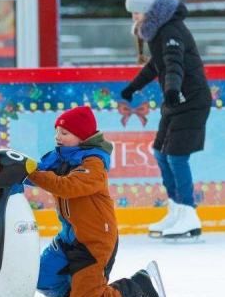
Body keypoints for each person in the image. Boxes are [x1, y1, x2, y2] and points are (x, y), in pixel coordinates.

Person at [27, 106, 161, 297]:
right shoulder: (60, 157)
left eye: (64, 132)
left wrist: (31, 174)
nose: (58, 136)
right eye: (57, 131)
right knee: (42, 278)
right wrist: (7, 168)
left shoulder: (94, 163)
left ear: (82, 137)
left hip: (95, 241)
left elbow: (68, 186)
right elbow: (34, 171)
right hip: (70, 238)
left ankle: (139, 287)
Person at [122, 0, 211, 238]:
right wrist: (134, 87)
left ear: (150, 11)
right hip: (176, 101)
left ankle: (189, 214)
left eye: (137, 12)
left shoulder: (171, 29)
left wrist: (172, 88)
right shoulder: (159, 30)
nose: (134, 18)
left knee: (176, 157)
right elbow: (156, 65)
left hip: (191, 100)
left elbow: (174, 63)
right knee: (161, 153)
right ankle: (175, 210)